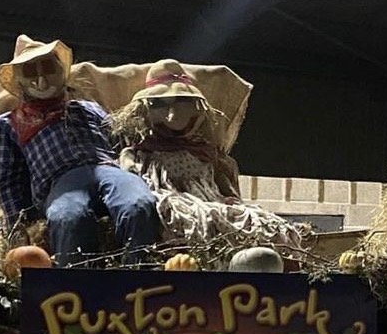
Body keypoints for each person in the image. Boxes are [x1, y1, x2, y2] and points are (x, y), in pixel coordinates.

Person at [0, 35, 160, 265]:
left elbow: (119, 144)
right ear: (20, 81)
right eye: (30, 72)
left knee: (138, 203)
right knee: (68, 217)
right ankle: (76, 282)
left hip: (107, 169)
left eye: (48, 68)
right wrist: (20, 227)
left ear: (61, 72)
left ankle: (139, 274)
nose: (41, 79)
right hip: (60, 181)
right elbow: (9, 179)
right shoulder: (8, 123)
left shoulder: (88, 108)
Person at [111, 59, 305, 252]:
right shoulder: (141, 152)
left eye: (182, 102)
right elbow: (133, 186)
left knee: (268, 225)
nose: (172, 113)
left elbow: (225, 187)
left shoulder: (205, 152)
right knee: (196, 220)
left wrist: (231, 200)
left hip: (213, 202)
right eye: (159, 104)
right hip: (174, 203)